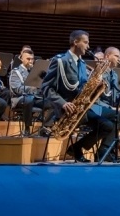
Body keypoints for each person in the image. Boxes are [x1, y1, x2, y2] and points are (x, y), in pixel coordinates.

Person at [41, 30, 115, 162]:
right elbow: (46, 88)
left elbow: (83, 87)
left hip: (81, 109)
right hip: (66, 110)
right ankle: (78, 149)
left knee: (109, 125)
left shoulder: (82, 63)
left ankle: (77, 147)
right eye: (85, 42)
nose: (88, 46)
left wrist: (96, 85)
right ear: (75, 42)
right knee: (106, 124)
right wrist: (63, 103)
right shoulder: (60, 61)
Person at [9, 48, 56, 136]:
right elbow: (17, 89)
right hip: (19, 99)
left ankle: (46, 126)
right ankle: (27, 128)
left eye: (32, 59)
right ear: (21, 59)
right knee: (28, 99)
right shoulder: (15, 72)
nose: (31, 61)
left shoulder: (35, 72)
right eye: (28, 59)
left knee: (53, 102)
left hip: (34, 97)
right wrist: (33, 88)